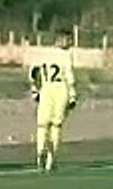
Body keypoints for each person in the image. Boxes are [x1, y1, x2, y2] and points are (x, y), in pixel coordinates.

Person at [29, 33, 78, 172]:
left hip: (46, 90)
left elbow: (34, 74)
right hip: (60, 90)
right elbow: (69, 77)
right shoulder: (65, 56)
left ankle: (40, 152)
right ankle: (51, 159)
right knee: (56, 126)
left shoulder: (43, 55)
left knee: (42, 125)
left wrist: (34, 91)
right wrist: (73, 96)